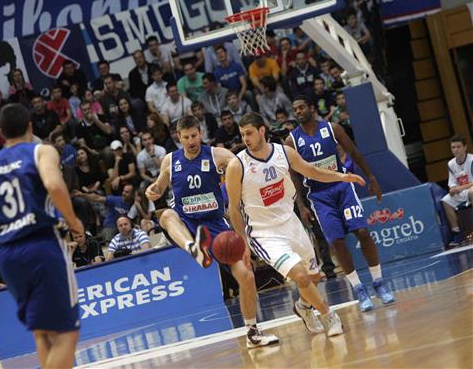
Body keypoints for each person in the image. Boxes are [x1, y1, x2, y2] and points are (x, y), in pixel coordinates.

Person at [0, 103, 84, 369]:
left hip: (9, 256)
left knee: (43, 332)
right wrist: (73, 222)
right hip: (42, 245)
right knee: (67, 333)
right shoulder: (41, 151)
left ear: (0, 132)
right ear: (30, 126)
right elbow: (53, 184)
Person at [145, 115, 278, 349]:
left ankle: (252, 332)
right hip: (187, 225)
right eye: (185, 137)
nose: (190, 141)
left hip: (216, 227)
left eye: (194, 136)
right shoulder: (170, 160)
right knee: (166, 215)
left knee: (246, 276)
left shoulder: (217, 155)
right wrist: (153, 190)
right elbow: (160, 185)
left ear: (200, 133)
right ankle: (193, 248)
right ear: (179, 137)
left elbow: (244, 163)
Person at [226, 112, 351, 336]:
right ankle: (329, 316)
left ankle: (303, 307)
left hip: (291, 223)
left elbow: (311, 171)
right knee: (300, 276)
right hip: (264, 232)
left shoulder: (284, 152)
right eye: (242, 134)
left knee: (314, 277)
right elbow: (233, 209)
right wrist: (243, 242)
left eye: (249, 133)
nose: (245, 138)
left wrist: (341, 177)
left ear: (262, 130)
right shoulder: (237, 166)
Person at [286, 96, 395, 312]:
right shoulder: (291, 141)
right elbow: (294, 175)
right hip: (318, 195)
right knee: (337, 241)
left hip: (342, 187)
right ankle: (358, 289)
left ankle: (379, 282)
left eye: (301, 107)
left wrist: (371, 178)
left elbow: (353, 152)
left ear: (311, 108)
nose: (298, 111)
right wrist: (301, 204)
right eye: (295, 109)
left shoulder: (332, 128)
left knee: (362, 231)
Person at [441, 135, 472, 246]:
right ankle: (457, 233)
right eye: (453, 147)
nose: (455, 149)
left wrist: (459, 188)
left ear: (465, 147)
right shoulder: (451, 163)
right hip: (462, 191)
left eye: (458, 146)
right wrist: (453, 188)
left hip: (471, 190)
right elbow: (452, 182)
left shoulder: (472, 160)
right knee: (445, 201)